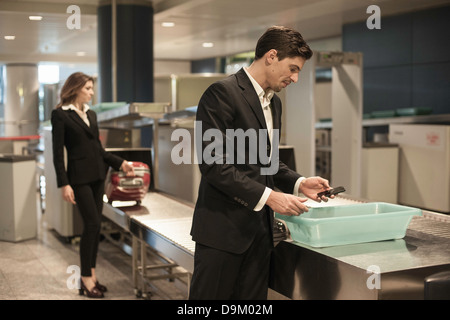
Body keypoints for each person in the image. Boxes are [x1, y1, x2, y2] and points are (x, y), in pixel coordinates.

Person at [189, 26, 334, 300]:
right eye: (292, 69)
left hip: (259, 234)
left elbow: (266, 162)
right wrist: (270, 197)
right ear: (271, 56)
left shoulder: (274, 104)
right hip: (223, 234)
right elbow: (213, 166)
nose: (295, 78)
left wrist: (300, 182)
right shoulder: (221, 94)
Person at [51, 72, 134, 298]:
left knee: (95, 227)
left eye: (91, 88)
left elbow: (99, 150)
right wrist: (64, 184)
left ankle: (92, 276)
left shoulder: (92, 115)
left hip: (98, 176)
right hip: (79, 179)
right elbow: (58, 154)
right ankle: (86, 279)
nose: (92, 92)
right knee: (91, 225)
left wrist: (121, 163)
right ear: (76, 88)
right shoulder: (60, 115)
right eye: (88, 88)